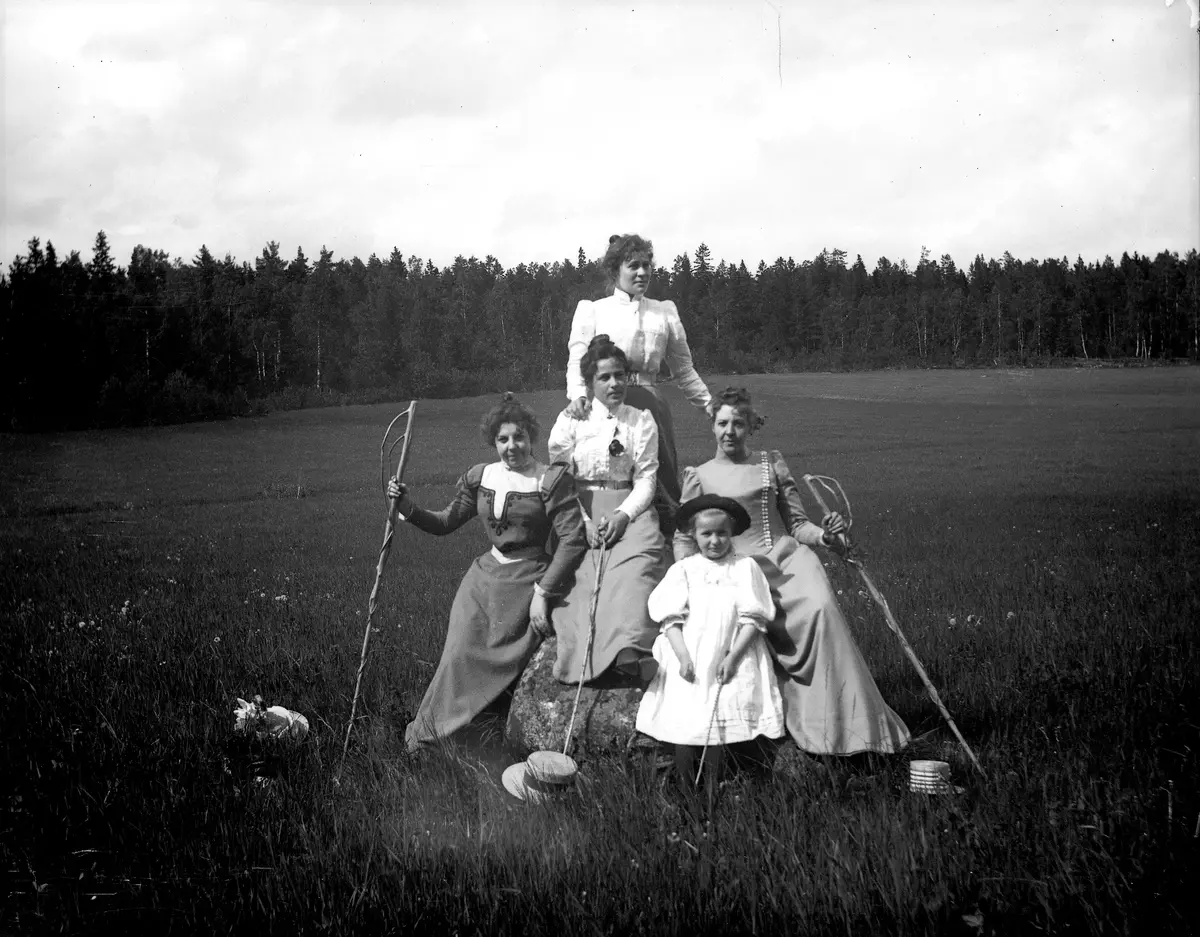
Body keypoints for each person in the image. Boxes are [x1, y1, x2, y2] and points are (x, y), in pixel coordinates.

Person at [674, 387, 911, 756]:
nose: (729, 431)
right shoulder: (699, 475)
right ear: (712, 426)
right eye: (722, 423)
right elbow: (685, 539)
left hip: (787, 559)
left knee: (821, 609)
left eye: (738, 423)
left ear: (751, 426)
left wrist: (827, 537)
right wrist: (683, 582)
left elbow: (798, 524)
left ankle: (848, 726)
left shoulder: (771, 464)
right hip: (739, 570)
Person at [389, 394, 587, 752]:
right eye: (503, 439)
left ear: (532, 437)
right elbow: (445, 522)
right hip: (483, 579)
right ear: (493, 441)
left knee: (502, 663)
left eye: (520, 437)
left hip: (529, 581)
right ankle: (433, 734)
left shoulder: (550, 479)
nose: (512, 446)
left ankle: (475, 733)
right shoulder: (481, 476)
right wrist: (407, 506)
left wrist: (544, 593)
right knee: (457, 654)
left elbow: (574, 540)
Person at [636, 494, 786, 808]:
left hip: (731, 651)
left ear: (731, 534)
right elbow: (670, 619)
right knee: (689, 718)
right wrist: (683, 657)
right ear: (694, 535)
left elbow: (753, 617)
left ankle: (712, 787)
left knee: (719, 716)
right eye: (707, 534)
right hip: (690, 653)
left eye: (722, 533)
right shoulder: (684, 570)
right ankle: (687, 791)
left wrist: (733, 657)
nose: (715, 541)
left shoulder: (745, 567)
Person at [565, 234, 713, 527]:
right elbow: (577, 359)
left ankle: (670, 549)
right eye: (633, 265)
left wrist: (710, 406)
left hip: (650, 407)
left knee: (662, 479)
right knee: (604, 476)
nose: (642, 272)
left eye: (647, 265)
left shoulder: (664, 311)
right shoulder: (594, 310)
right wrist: (577, 395)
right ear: (614, 270)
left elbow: (683, 369)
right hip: (604, 407)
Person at [548, 335, 667, 685]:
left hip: (630, 511)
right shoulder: (572, 421)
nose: (615, 383)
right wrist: (582, 521)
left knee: (633, 577)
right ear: (590, 383)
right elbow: (560, 479)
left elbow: (646, 478)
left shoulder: (640, 420)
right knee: (583, 585)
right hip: (579, 510)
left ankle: (628, 654)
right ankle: (584, 660)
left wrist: (624, 515)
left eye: (620, 375)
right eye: (605, 377)